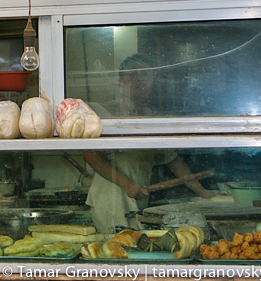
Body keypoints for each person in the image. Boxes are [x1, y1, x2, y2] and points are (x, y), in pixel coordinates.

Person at [84, 54, 218, 234]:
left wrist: (202, 191)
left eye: (145, 75)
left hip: (139, 199)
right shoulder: (107, 112)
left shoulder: (150, 117)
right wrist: (126, 184)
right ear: (120, 82)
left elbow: (173, 160)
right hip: (111, 200)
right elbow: (89, 153)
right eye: (133, 75)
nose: (140, 80)